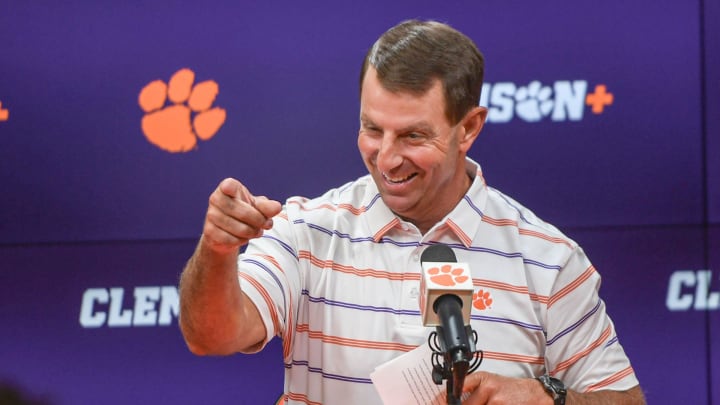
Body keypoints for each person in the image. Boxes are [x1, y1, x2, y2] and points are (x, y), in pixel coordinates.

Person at [179, 19, 645, 404]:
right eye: (371, 129)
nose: (385, 157)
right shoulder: (306, 231)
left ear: (469, 129)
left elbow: (625, 400)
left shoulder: (548, 260)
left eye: (412, 136)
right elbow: (211, 336)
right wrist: (218, 250)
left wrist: (548, 397)